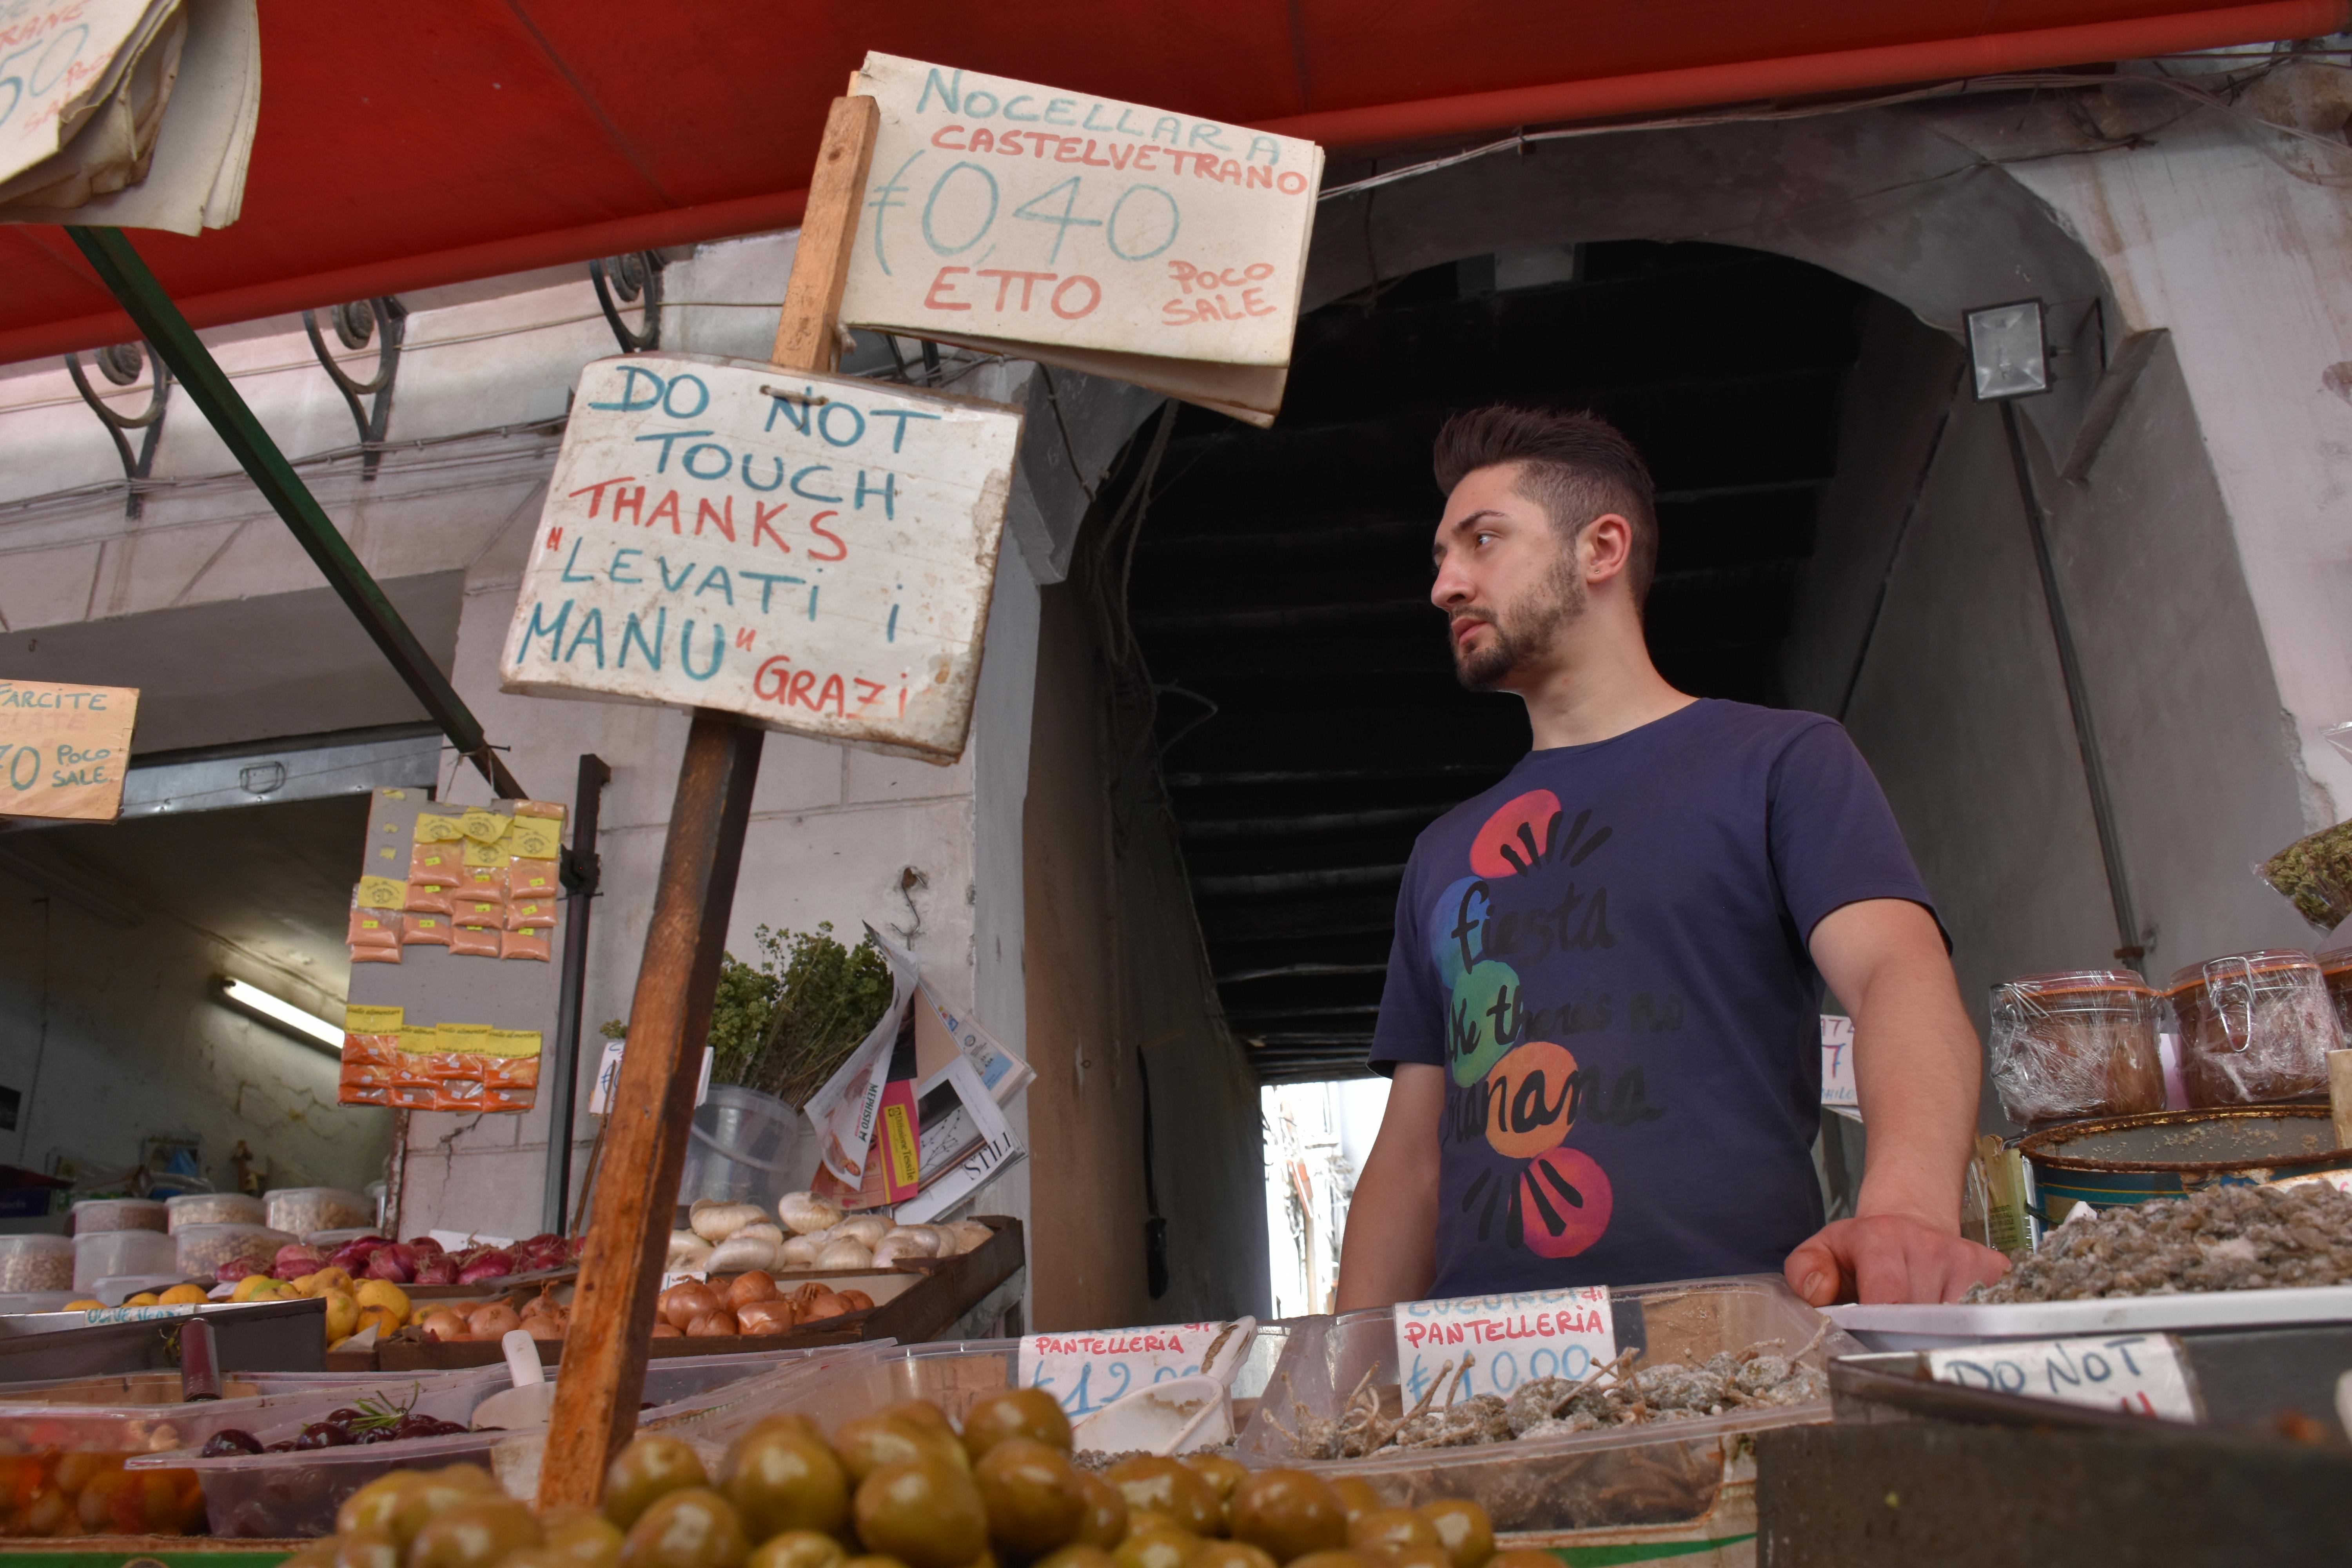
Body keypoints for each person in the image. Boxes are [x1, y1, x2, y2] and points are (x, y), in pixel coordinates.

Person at [1333, 406, 2007, 1310]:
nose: (1446, 585)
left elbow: (1898, 972)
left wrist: (1907, 1213)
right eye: (1441, 559)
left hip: (1739, 1334)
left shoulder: (1780, 760)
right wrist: (1345, 1369)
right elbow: (1414, 1154)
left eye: (1483, 540)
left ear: (1601, 547)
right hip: (1479, 1367)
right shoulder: (1441, 852)